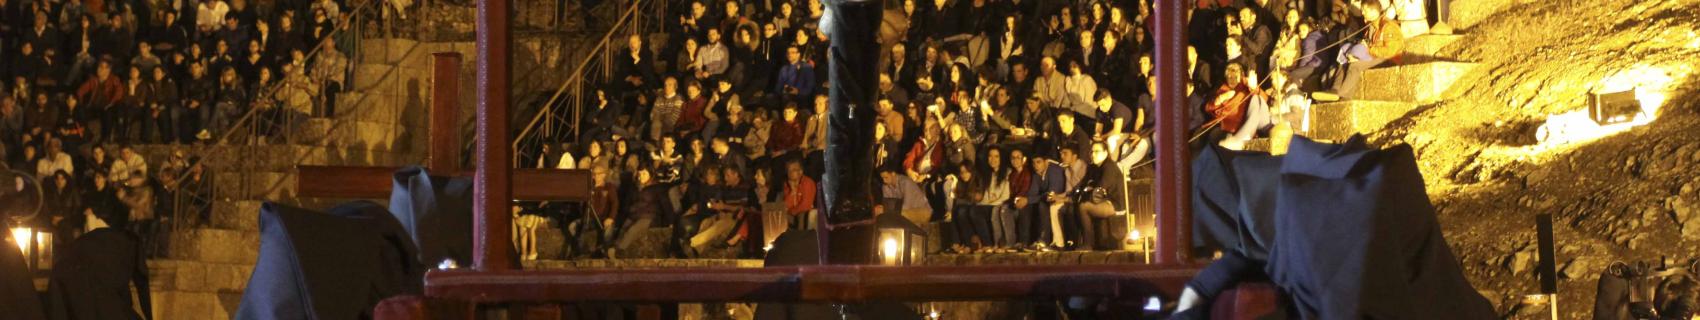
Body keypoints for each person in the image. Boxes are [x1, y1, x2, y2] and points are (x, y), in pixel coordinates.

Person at [1312, 2, 1403, 102]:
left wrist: (1368, 50)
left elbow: (1390, 51)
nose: (1362, 12)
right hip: (1374, 55)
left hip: (1388, 59)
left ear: (1373, 11)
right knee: (1344, 62)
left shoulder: (1388, 26)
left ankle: (1342, 95)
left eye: (1365, 10)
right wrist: (1356, 55)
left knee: (1355, 66)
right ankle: (1334, 90)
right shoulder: (1371, 27)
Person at [1075, 142, 1126, 250]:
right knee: (1075, 204)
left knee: (1084, 207)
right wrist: (1086, 190)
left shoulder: (1109, 167)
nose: (1093, 154)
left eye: (1097, 151)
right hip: (1102, 200)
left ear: (1105, 153)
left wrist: (1090, 190)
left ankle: (1088, 243)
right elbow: (1084, 184)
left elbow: (1099, 189)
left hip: (1114, 204)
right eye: (1092, 151)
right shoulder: (1093, 167)